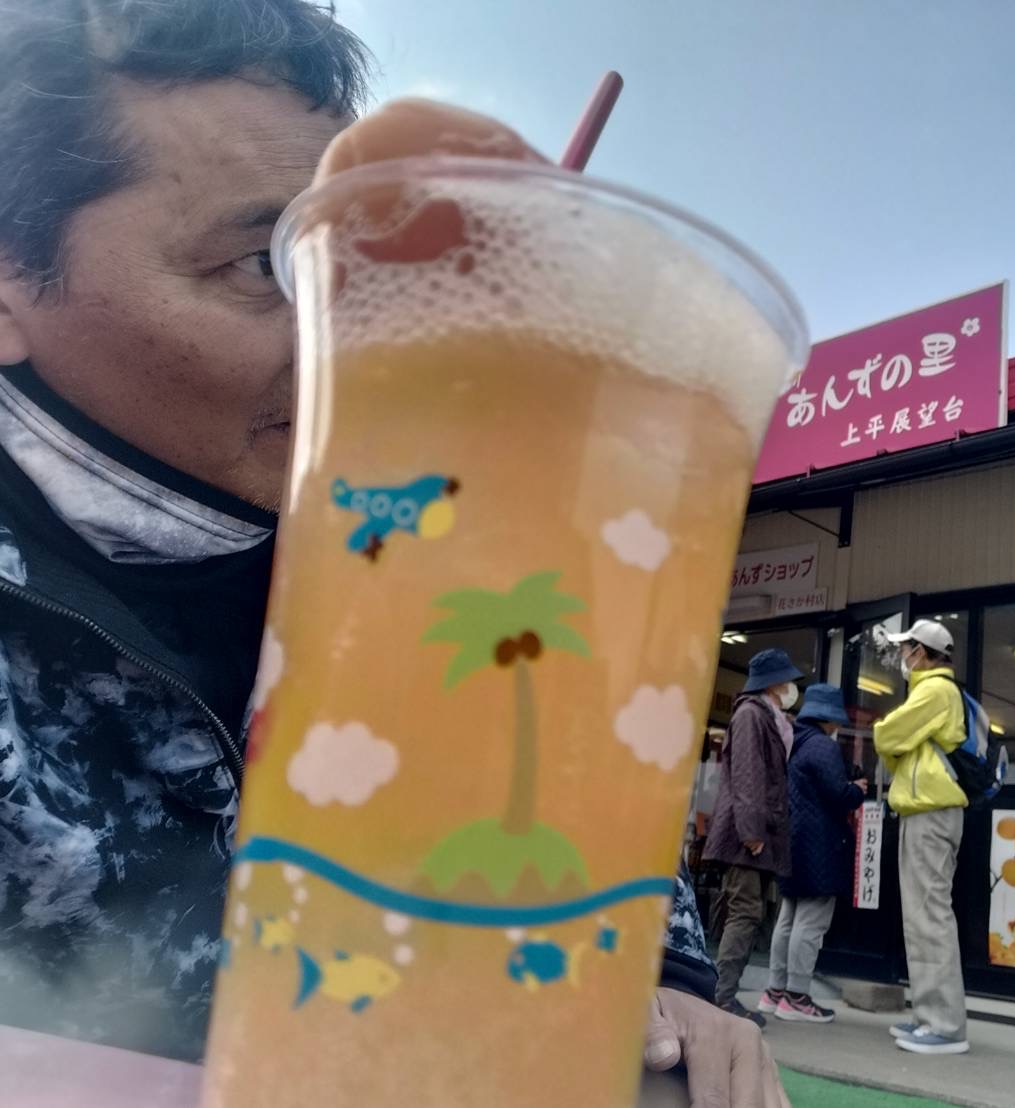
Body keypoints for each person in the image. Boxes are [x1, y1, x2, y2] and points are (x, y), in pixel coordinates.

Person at [0, 1, 786, 1099]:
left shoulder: (443, 557)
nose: (355, 328)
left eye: (366, 262)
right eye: (264, 265)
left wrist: (672, 986)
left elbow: (558, 823)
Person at [872, 619, 970, 1056]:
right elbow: (897, 749)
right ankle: (929, 1014)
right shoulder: (932, 691)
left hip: (931, 813)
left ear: (923, 652)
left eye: (907, 648)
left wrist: (889, 741)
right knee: (922, 917)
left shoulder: (935, 691)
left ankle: (944, 1026)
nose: (902, 655)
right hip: (925, 812)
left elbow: (887, 734)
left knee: (929, 917)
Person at [703, 647, 802, 1023]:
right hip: (748, 836)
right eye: (787, 679)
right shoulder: (751, 714)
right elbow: (747, 774)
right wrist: (751, 832)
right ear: (774, 683)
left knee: (747, 912)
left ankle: (722, 996)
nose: (791, 686)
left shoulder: (766, 716)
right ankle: (721, 998)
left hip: (756, 833)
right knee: (745, 912)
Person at [758, 684, 865, 1024]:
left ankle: (774, 991)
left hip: (791, 840)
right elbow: (837, 794)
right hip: (820, 846)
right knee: (811, 922)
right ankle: (797, 996)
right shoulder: (822, 746)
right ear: (828, 718)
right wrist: (856, 790)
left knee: (787, 918)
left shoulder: (793, 741)